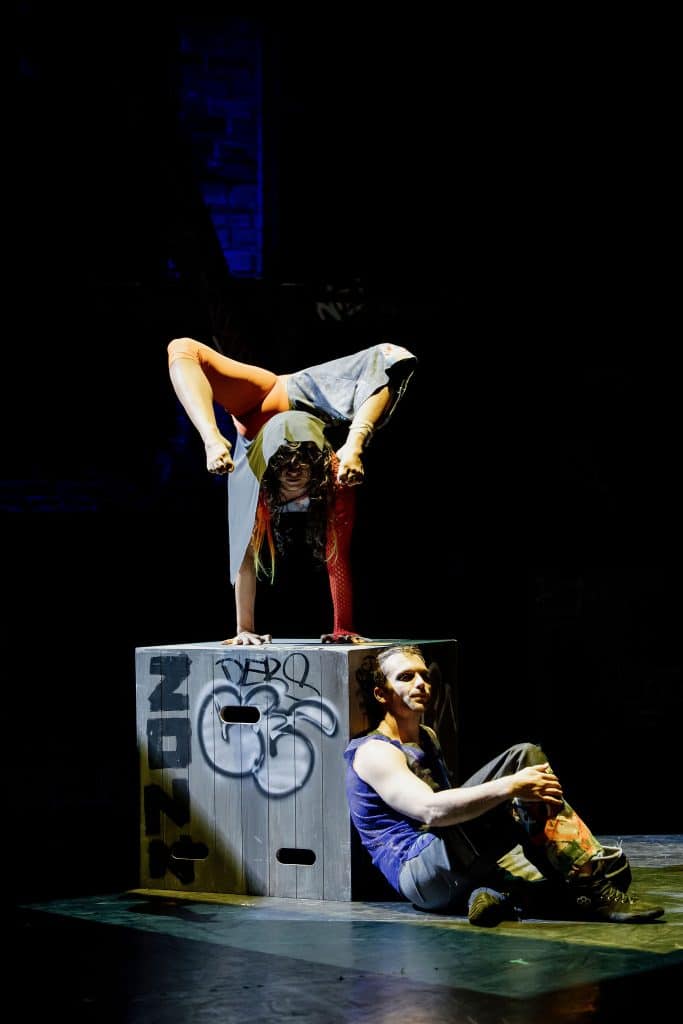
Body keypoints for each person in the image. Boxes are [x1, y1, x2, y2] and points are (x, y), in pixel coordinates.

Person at [344, 644, 665, 926]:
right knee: (523, 758)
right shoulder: (375, 752)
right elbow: (431, 811)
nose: (421, 684)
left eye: (424, 676)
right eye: (406, 677)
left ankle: (498, 895)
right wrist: (512, 786)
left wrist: (516, 803)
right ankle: (586, 886)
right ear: (381, 694)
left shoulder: (426, 737)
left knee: (610, 866)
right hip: (421, 873)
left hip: (451, 862)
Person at [167, 337, 417, 644]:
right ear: (271, 471)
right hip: (266, 402)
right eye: (285, 465)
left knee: (391, 357)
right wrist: (244, 629)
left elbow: (337, 555)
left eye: (301, 463)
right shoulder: (254, 478)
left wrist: (343, 628)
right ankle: (211, 438)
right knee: (181, 347)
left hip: (297, 404)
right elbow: (244, 554)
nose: (294, 470)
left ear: (318, 465)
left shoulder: (335, 474)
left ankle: (349, 442)